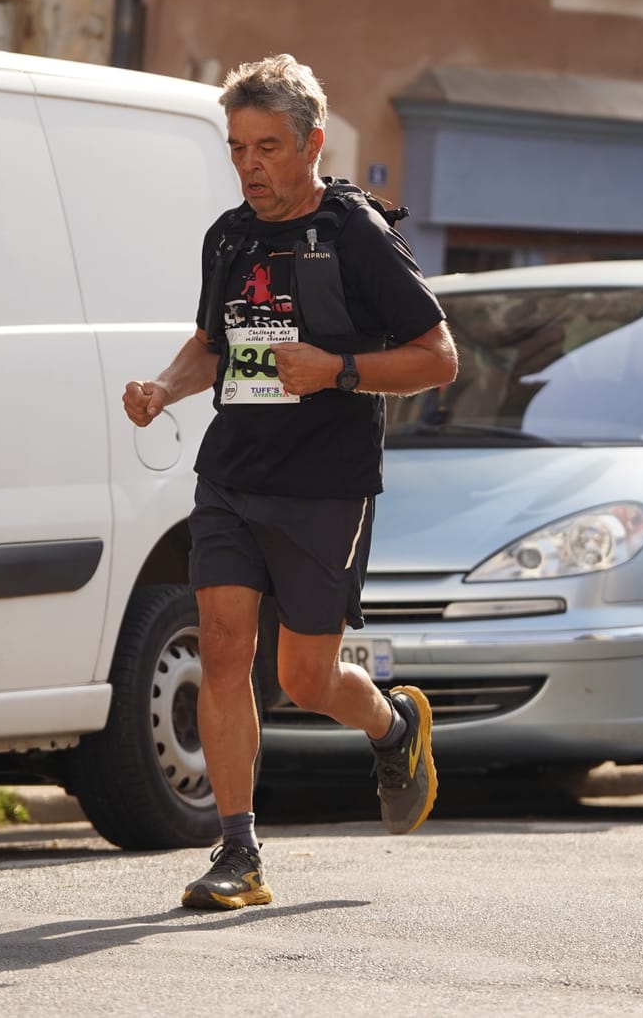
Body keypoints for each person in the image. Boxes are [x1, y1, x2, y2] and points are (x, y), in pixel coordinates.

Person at [121, 54, 459, 910]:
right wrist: (164, 387)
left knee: (305, 676)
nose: (250, 166)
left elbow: (438, 357)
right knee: (223, 645)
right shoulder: (228, 238)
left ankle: (393, 723)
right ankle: (238, 850)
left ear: (312, 144)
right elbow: (213, 342)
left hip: (324, 483)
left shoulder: (356, 234)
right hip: (232, 472)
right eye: (237, 148)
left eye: (267, 147)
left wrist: (337, 370)